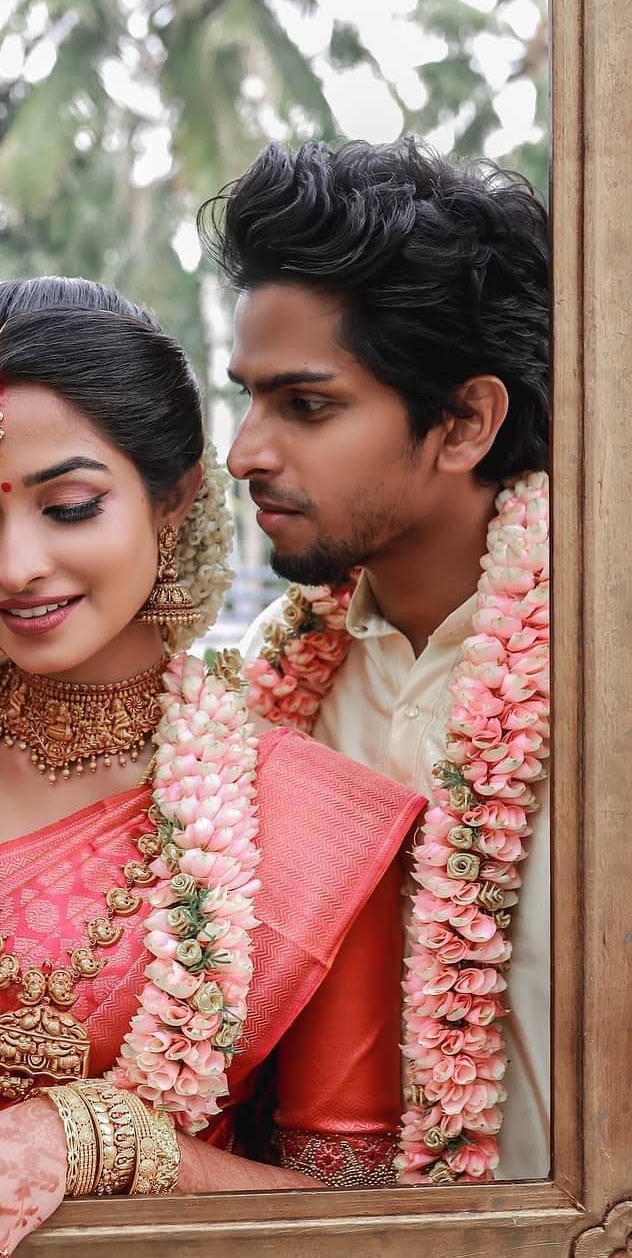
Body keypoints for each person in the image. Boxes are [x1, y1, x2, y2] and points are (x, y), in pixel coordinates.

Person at [0, 277, 427, 1258]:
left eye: (69, 507)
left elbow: (354, 1215)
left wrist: (96, 1135)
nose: (15, 566)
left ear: (174, 498)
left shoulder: (304, 812)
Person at [197, 138, 551, 1184]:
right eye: (249, 398)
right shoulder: (262, 696)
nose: (246, 453)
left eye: (306, 406)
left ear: (465, 423)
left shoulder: (603, 679)